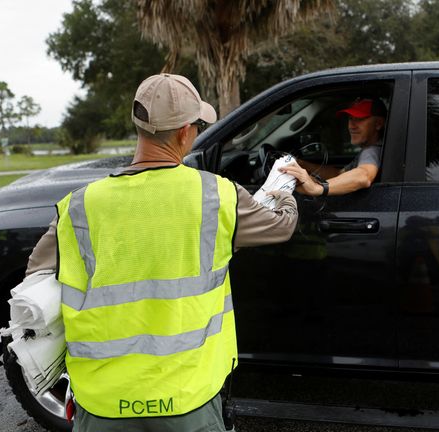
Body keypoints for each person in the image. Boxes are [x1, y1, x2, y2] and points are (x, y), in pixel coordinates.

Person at [24, 73, 298, 431]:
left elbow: (35, 281)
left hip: (102, 403)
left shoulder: (78, 206)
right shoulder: (218, 196)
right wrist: (287, 192)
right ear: (186, 131)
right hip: (188, 399)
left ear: (139, 126)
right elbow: (281, 226)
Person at [279, 97, 387, 197]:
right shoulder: (372, 149)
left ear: (378, 124)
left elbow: (364, 176)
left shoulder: (372, 151)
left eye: (359, 119)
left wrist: (317, 188)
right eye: (350, 118)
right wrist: (303, 164)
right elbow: (339, 174)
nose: (351, 126)